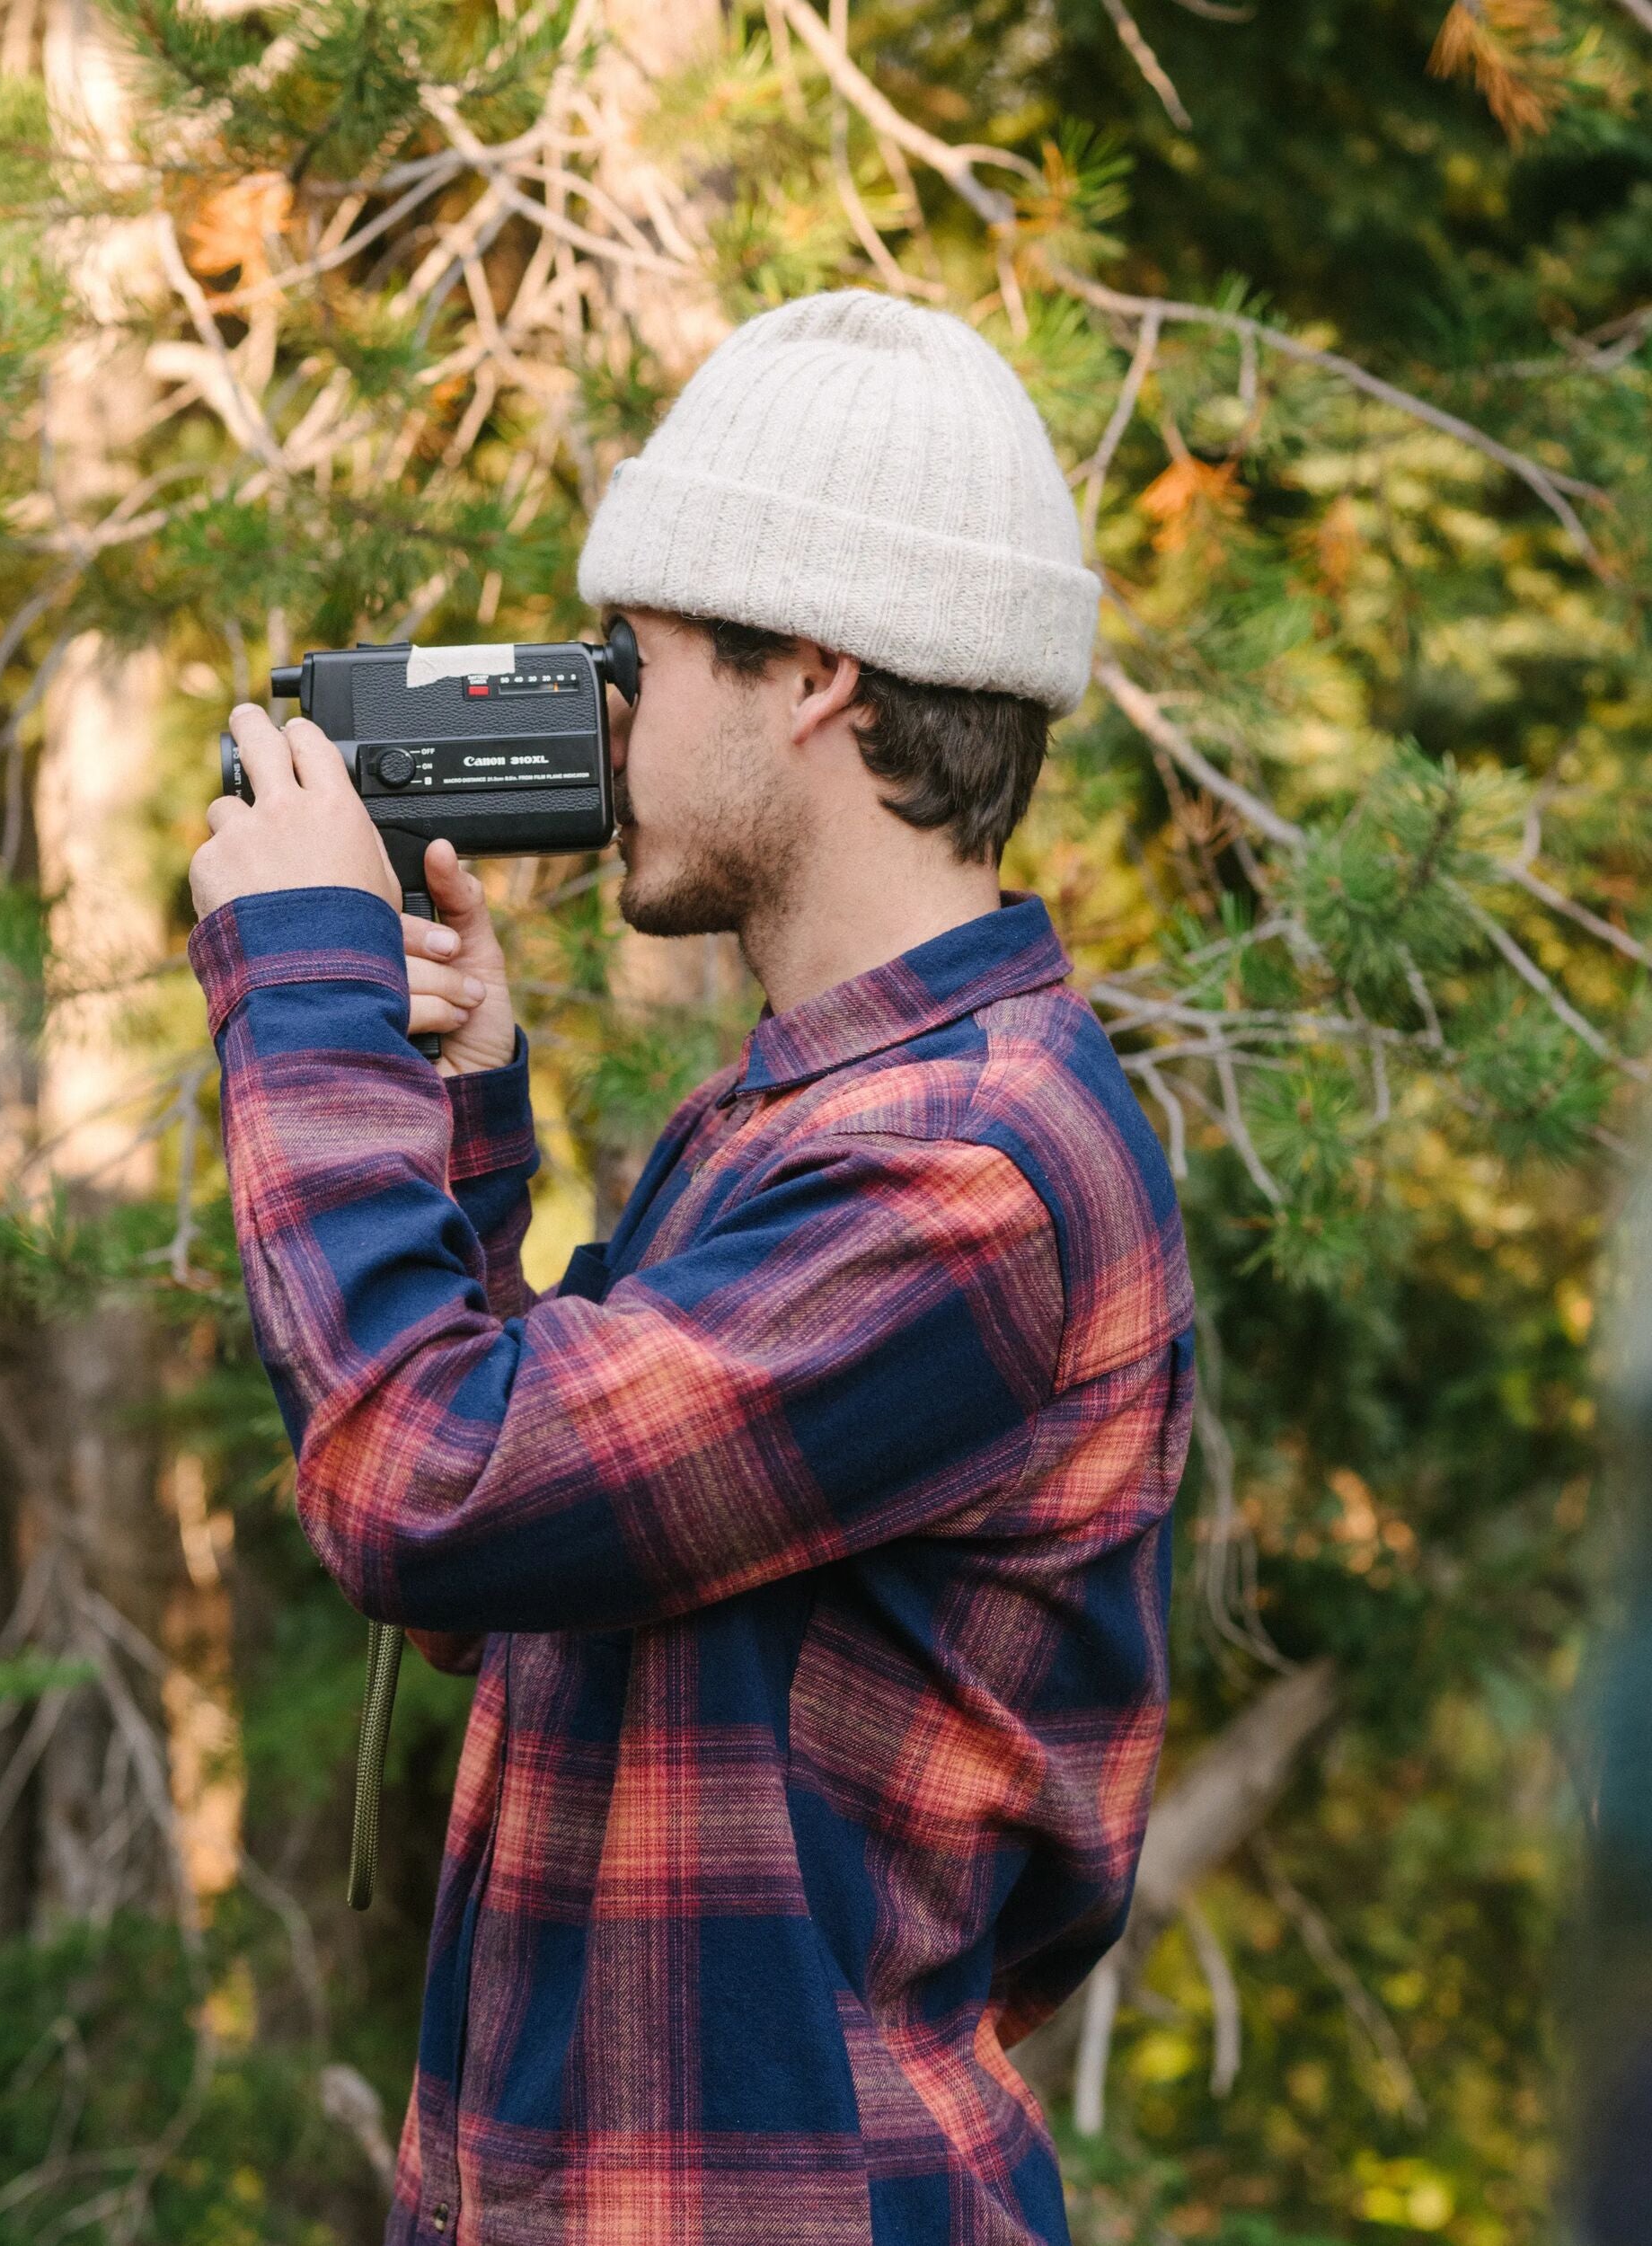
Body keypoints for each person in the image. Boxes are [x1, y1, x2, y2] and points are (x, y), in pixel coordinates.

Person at [188, 290, 1195, 2246]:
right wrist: (456, 1098)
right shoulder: (818, 1112)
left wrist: (305, 990)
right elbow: (523, 1581)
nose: (600, 716)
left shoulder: (962, 1172)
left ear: (812, 670)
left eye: (630, 660)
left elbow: (425, 1488)